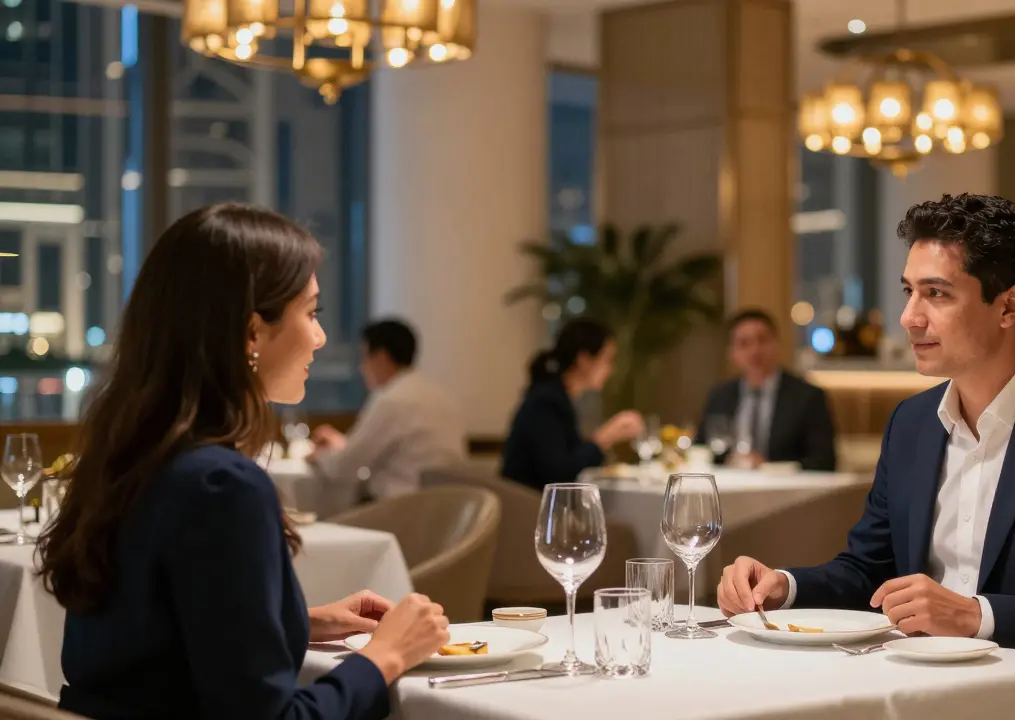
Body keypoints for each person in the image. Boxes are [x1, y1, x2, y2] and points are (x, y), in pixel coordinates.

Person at [715, 194, 1015, 720]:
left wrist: (977, 616)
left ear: (1009, 306)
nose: (910, 318)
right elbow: (869, 569)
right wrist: (785, 586)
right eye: (909, 291)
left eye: (936, 294)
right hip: (922, 694)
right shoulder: (911, 423)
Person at [36, 204, 450, 719]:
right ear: (252, 332)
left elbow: (152, 647)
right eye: (311, 312)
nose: (319, 338)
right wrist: (385, 658)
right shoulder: (221, 485)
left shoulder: (129, 458)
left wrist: (300, 620)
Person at [309, 319, 466, 513]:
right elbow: (402, 453)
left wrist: (320, 455)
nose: (361, 367)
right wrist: (342, 444)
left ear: (381, 357)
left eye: (364, 357)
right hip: (447, 508)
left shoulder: (392, 399)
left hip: (402, 510)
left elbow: (344, 467)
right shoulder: (439, 395)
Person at [502, 318, 645, 490]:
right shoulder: (546, 402)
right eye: (607, 359)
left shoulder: (558, 396)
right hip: (530, 505)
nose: (611, 369)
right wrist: (605, 436)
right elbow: (560, 474)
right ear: (584, 359)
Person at [696, 309, 837, 471]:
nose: (755, 351)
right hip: (728, 487)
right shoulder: (720, 395)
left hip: (787, 491)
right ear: (732, 352)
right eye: (744, 343)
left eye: (762, 340)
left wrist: (769, 467)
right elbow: (701, 450)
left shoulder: (808, 396)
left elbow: (825, 461)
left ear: (776, 343)